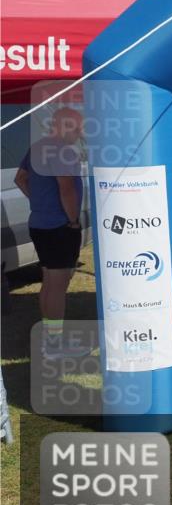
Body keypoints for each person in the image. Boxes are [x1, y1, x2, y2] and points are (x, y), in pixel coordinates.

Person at [14, 107, 85, 358]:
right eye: (76, 128)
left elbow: (20, 179)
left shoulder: (37, 147)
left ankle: (50, 339)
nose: (79, 133)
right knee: (57, 285)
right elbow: (66, 188)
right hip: (59, 227)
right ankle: (54, 345)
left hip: (41, 224)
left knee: (49, 283)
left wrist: (39, 201)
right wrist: (73, 219)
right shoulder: (62, 151)